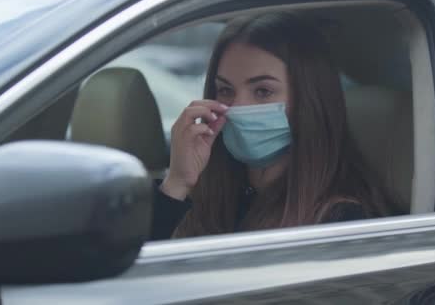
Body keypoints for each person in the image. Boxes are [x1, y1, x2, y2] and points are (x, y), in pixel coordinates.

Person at [151, 12, 396, 240]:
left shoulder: (342, 220)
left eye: (263, 91)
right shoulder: (215, 189)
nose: (238, 107)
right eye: (225, 90)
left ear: (309, 99)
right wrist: (177, 183)